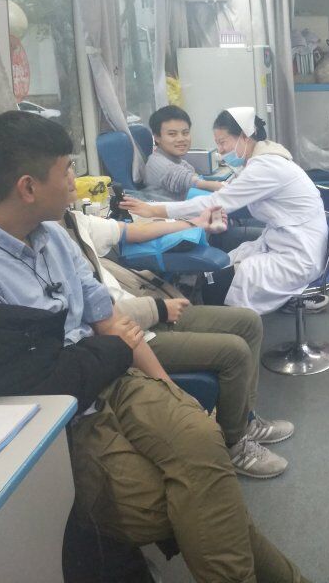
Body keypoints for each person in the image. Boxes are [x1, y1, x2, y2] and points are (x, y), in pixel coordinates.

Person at [0, 110, 310, 583]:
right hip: (62, 417)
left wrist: (171, 392)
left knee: (201, 437)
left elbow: (109, 320)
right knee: (176, 504)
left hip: (113, 377)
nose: (75, 182)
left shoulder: (53, 236)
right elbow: (22, 384)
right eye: (67, 170)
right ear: (28, 187)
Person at [63, 201, 294, 478]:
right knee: (235, 352)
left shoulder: (73, 221)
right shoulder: (54, 249)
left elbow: (130, 231)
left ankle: (246, 420)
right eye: (65, 177)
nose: (72, 182)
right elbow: (100, 319)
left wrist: (194, 223)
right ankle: (234, 444)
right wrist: (157, 308)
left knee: (249, 322)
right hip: (133, 331)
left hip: (144, 309)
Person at [121, 107, 328, 315]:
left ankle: (235, 320)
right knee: (227, 262)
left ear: (244, 137)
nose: (220, 151)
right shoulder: (262, 158)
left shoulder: (265, 166)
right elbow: (227, 195)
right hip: (287, 240)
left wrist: (154, 210)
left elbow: (216, 201)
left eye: (222, 143)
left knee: (222, 282)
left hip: (297, 253)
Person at [143, 105, 225, 200]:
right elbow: (184, 179)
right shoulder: (157, 163)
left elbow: (191, 175)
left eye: (185, 133)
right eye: (172, 134)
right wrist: (223, 187)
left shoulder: (175, 159)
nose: (181, 139)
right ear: (157, 137)